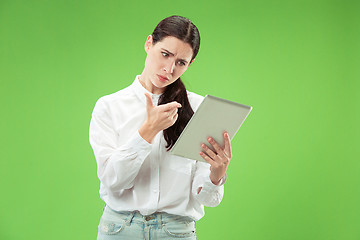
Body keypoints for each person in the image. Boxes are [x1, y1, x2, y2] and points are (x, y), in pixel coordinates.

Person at [89, 15, 233, 240]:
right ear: (149, 44)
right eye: (165, 54)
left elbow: (207, 199)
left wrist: (217, 175)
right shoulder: (109, 106)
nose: (169, 68)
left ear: (190, 64)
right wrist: (147, 132)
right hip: (119, 230)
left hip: (176, 231)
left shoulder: (199, 108)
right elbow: (112, 180)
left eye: (181, 62)